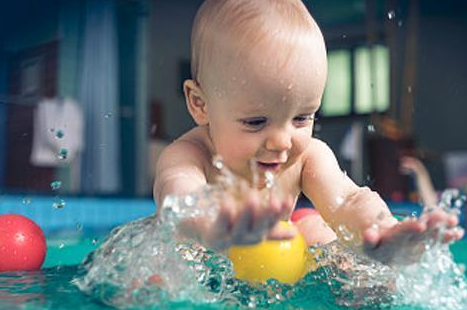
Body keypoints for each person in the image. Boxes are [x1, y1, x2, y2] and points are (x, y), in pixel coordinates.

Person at [153, 0, 462, 265]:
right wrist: (212, 224)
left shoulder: (308, 156)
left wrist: (381, 229)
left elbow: (348, 202)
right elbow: (180, 200)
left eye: (301, 118)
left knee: (316, 230)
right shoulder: (188, 156)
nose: (283, 141)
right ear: (200, 104)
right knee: (154, 274)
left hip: (280, 256)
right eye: (256, 122)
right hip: (206, 261)